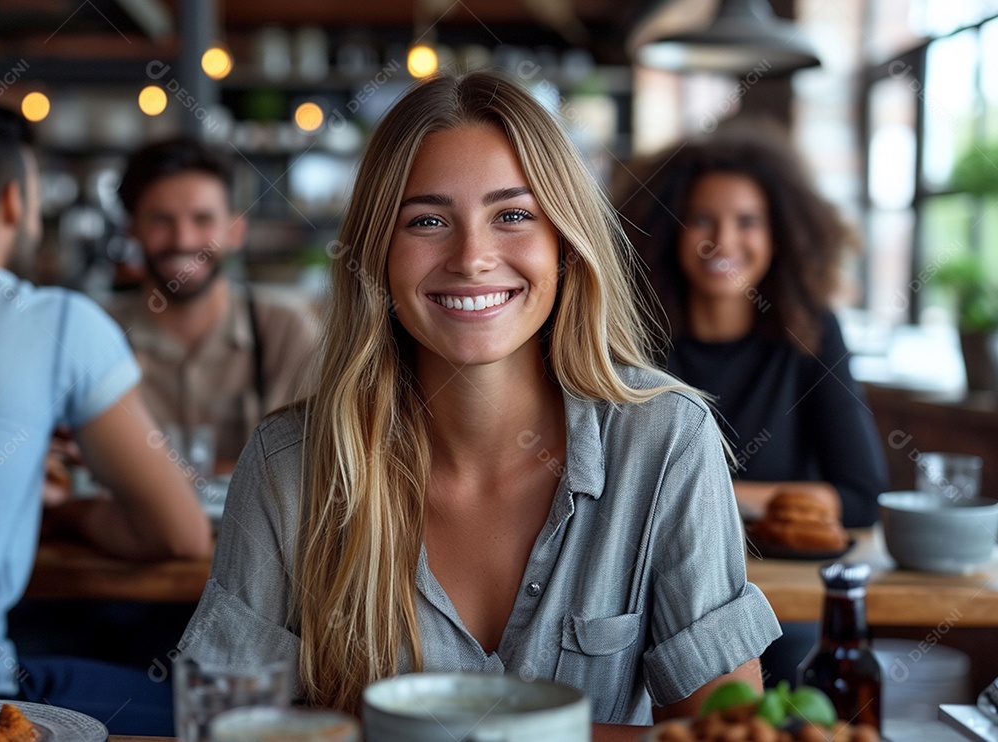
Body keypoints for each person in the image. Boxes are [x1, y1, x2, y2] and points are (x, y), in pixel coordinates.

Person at [180, 72, 782, 737]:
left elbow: (727, 731)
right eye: (428, 221)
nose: (472, 257)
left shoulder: (666, 441)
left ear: (565, 243)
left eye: (513, 215)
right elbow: (224, 724)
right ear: (377, 254)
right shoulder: (287, 466)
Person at [0, 99, 211, 734]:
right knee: (209, 709)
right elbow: (180, 535)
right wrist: (58, 508)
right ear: (12, 203)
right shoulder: (56, 322)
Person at [615, 122, 889, 684]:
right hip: (647, 588)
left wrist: (707, 495)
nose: (724, 241)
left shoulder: (812, 333)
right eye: (701, 220)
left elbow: (859, 497)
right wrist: (779, 501)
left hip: (775, 599)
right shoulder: (628, 339)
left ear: (780, 234)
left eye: (748, 221)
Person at [105, 137, 319, 464]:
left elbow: (317, 464)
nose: (183, 239)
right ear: (132, 230)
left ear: (236, 231)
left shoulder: (284, 331)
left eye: (202, 219)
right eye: (162, 220)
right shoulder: (100, 333)